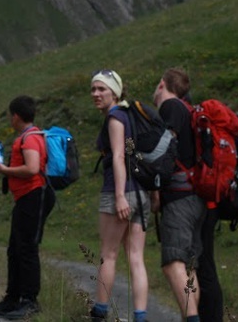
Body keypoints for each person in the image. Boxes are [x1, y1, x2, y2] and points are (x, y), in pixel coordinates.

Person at [0, 95, 56, 320]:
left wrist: (5, 171)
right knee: (15, 249)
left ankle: (29, 301)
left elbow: (33, 168)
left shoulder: (30, 138)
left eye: (10, 115)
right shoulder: (28, 136)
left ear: (15, 116)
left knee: (26, 248)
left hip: (34, 196)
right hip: (25, 198)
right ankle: (12, 298)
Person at [90, 69, 149, 322]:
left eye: (102, 89)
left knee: (109, 253)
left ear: (115, 91)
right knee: (135, 257)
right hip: (142, 193)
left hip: (121, 192)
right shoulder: (132, 116)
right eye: (93, 89)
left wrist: (119, 196)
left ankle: (100, 311)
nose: (95, 94)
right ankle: (140, 315)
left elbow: (117, 156)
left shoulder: (115, 117)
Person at [152, 68, 206, 322]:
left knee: (172, 262)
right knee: (188, 266)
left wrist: (153, 182)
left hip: (178, 196)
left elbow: (165, 148)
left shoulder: (172, 106)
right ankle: (191, 317)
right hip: (195, 196)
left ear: (162, 84)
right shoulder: (187, 108)